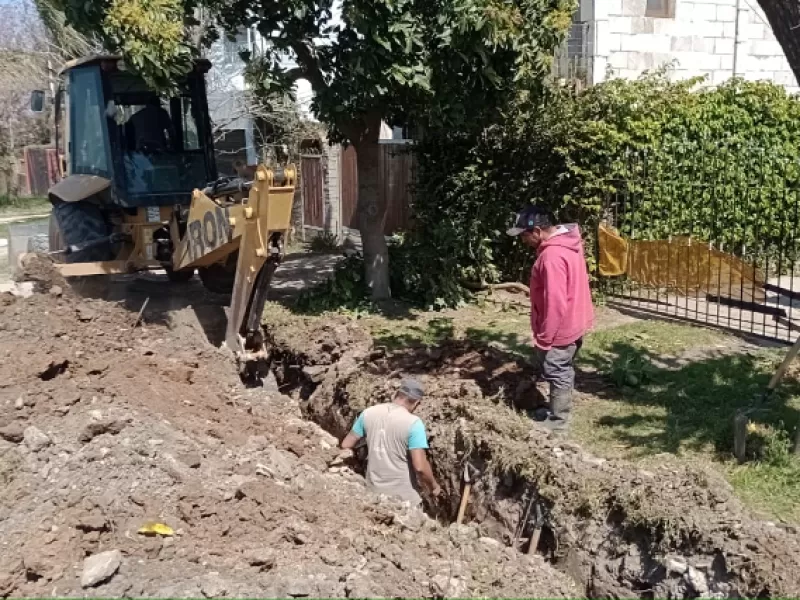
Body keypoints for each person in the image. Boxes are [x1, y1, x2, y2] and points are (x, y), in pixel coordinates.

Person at [507, 205, 594, 431]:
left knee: (557, 370)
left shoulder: (551, 257)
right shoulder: (569, 242)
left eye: (524, 235)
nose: (523, 241)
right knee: (562, 368)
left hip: (561, 327)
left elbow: (555, 301)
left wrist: (545, 337)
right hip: (575, 319)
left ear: (536, 231)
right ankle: (558, 413)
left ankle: (558, 423)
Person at [339, 378, 442, 505]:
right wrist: (434, 486)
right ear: (416, 403)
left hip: (373, 494)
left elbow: (346, 444)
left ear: (395, 394)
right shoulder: (414, 424)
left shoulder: (368, 413)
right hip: (403, 500)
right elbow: (420, 467)